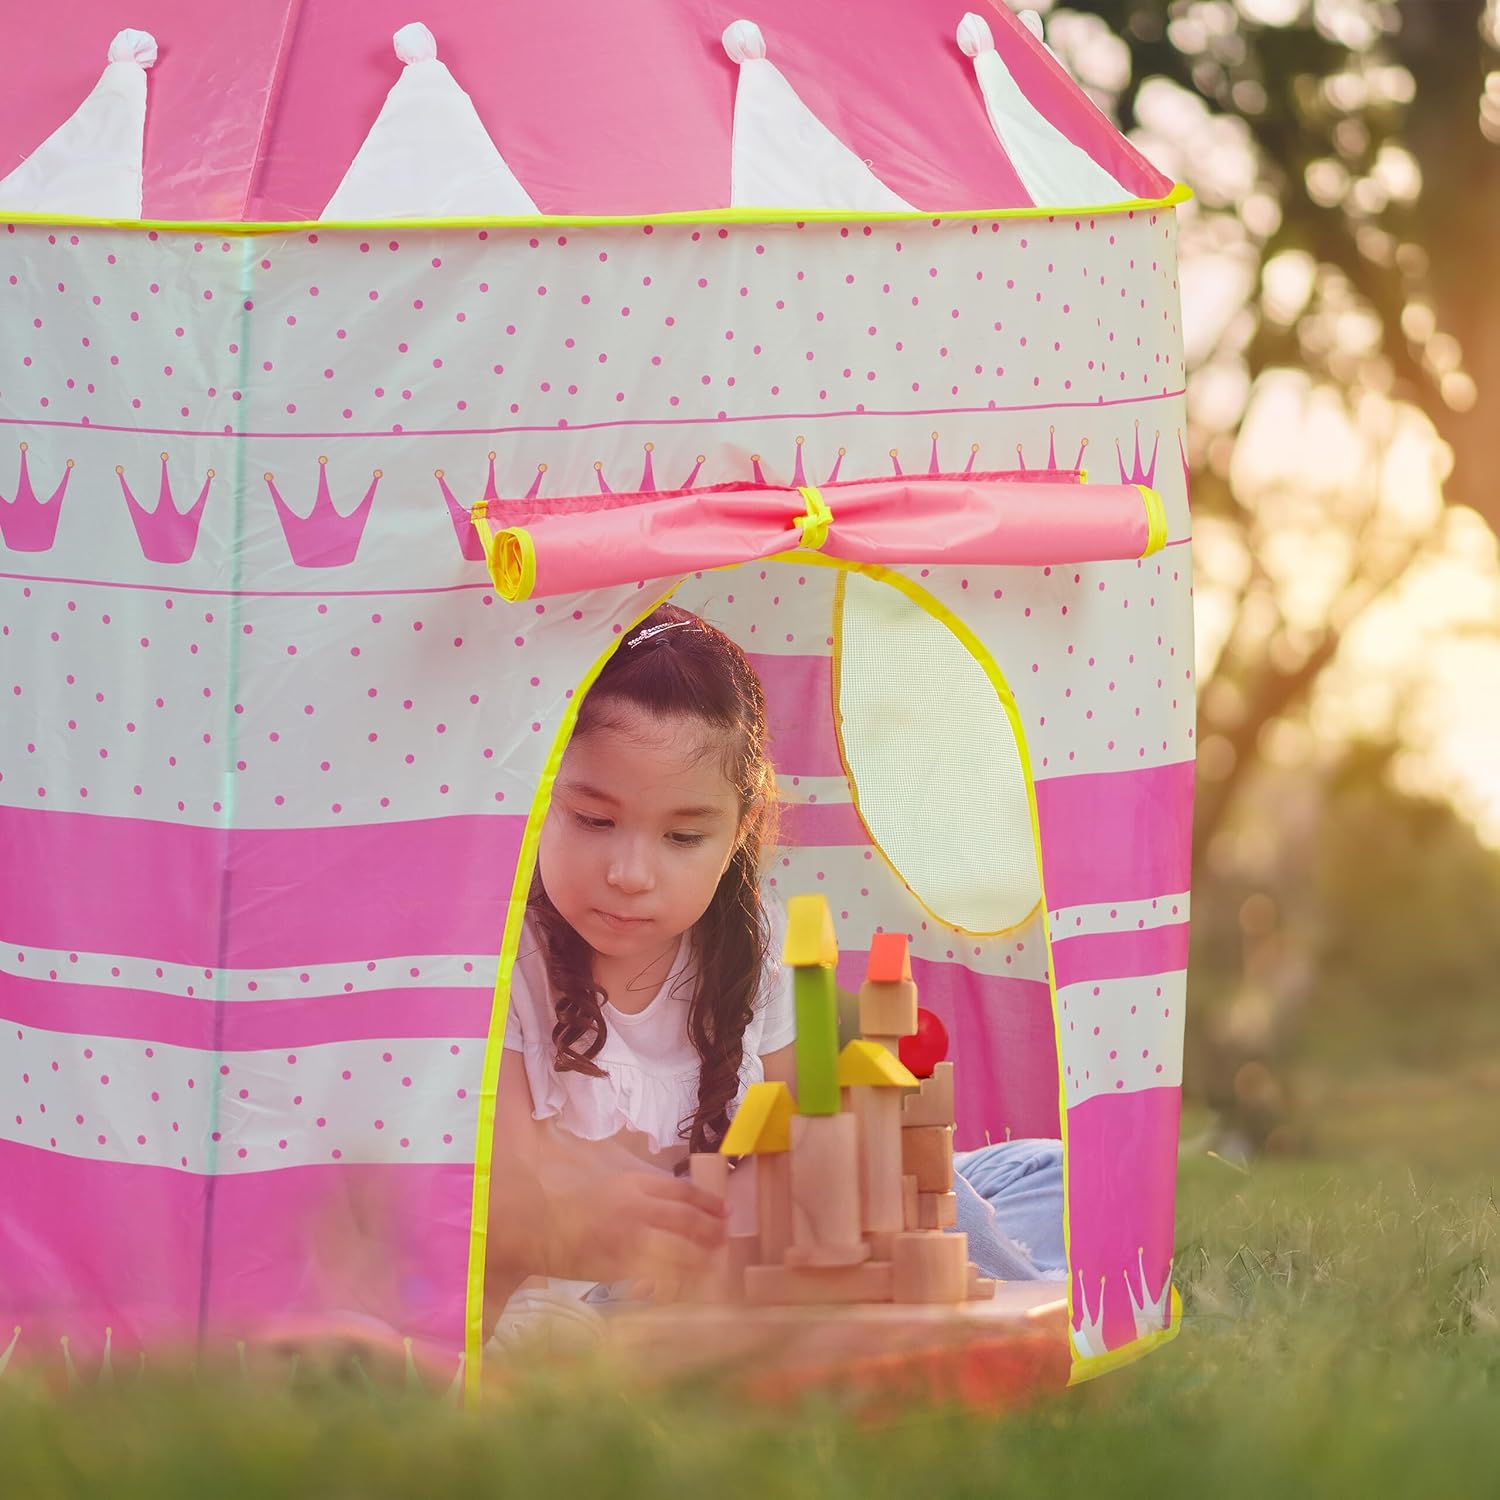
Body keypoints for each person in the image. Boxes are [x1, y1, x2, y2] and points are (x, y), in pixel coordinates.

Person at [484, 602, 1063, 1343]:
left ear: (742, 830)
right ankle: (1018, 1312)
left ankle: (1018, 1298)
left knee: (1039, 1172)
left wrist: (803, 1189)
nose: (630, 874)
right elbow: (494, 1202)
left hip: (762, 1247)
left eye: (682, 836)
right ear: (539, 797)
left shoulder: (755, 945)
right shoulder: (503, 962)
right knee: (560, 1329)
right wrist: (583, 1219)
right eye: (594, 821)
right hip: (612, 1286)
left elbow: (800, 1142)